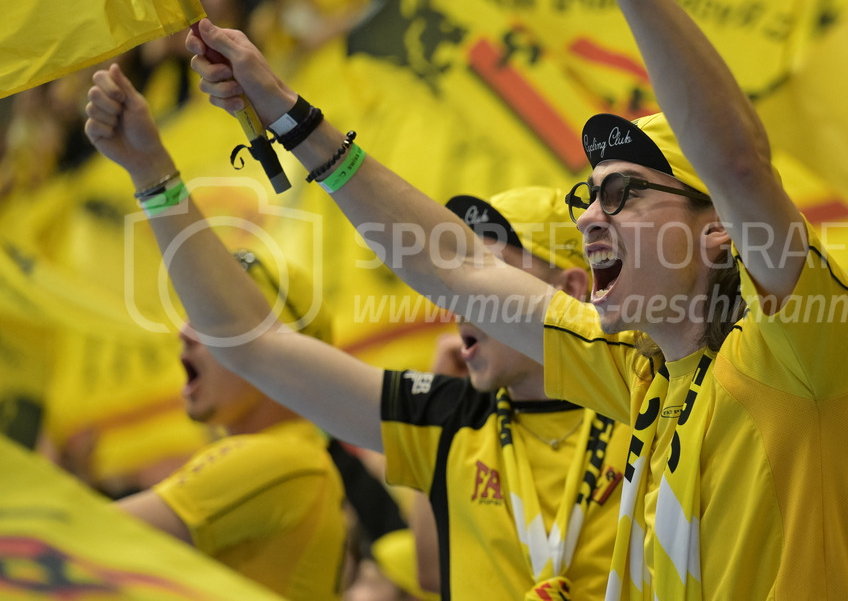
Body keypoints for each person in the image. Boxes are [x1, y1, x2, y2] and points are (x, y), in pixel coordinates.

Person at [183, 0, 848, 599]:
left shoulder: (795, 350)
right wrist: (290, 116)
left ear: (719, 231)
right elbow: (451, 268)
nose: (590, 216)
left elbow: (736, 164)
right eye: (585, 199)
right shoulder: (632, 370)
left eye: (623, 194)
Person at [83, 66, 630, 599]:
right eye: (462, 279)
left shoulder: (643, 390)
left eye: (488, 272)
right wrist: (152, 174)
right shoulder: (451, 420)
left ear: (573, 287)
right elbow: (254, 344)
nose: (462, 300)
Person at [114, 248, 347, 601]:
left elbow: (72, 534)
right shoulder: (298, 460)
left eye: (216, 317)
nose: (184, 332)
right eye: (192, 312)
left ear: (285, 350)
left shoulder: (280, 459)